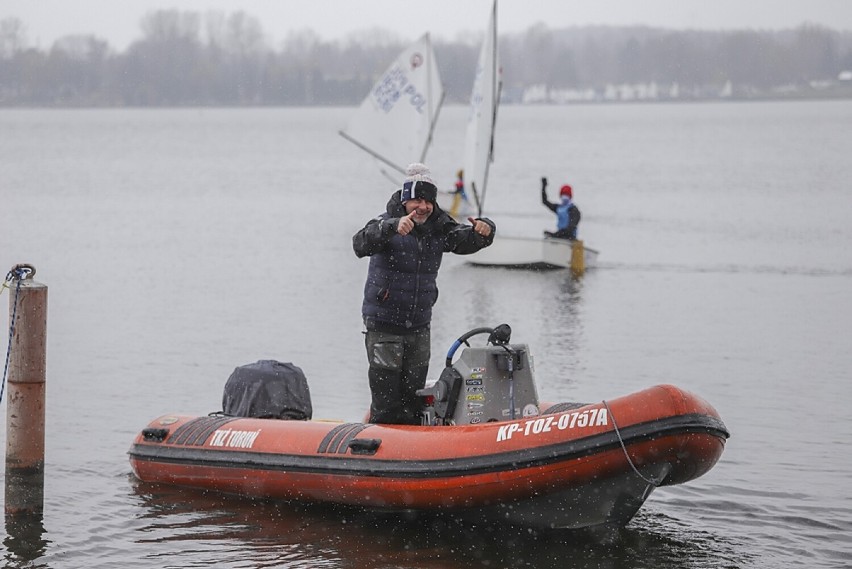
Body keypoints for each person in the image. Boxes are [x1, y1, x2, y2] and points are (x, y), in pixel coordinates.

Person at [353, 163, 496, 425]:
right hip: (384, 326)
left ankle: (411, 455)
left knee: (412, 400)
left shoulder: (439, 228)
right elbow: (360, 243)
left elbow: (464, 240)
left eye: (428, 200)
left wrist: (485, 232)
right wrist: (392, 227)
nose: (423, 206)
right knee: (386, 401)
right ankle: (381, 453)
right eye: (417, 200)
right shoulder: (385, 223)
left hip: (419, 326)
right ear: (405, 200)